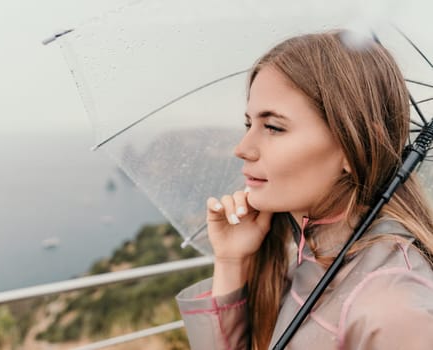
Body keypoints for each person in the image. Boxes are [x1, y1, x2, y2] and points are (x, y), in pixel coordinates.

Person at [176, 30, 433, 349]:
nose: (242, 148)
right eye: (249, 124)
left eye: (273, 127)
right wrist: (230, 262)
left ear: (354, 147)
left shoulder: (391, 309)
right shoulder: (299, 255)